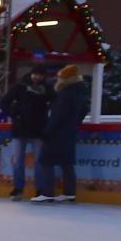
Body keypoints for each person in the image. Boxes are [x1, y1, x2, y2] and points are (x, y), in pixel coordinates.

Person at [33, 65, 88, 203]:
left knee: (46, 161)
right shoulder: (79, 91)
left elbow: (57, 116)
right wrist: (75, 123)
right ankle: (69, 192)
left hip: (57, 132)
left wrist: (47, 132)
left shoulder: (65, 93)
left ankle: (47, 192)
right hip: (69, 131)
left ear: (65, 78)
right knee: (66, 162)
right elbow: (84, 109)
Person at [0, 67, 52, 200]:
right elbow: (4, 102)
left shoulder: (47, 89)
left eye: (41, 75)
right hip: (20, 128)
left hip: (38, 129)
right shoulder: (20, 86)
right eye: (36, 74)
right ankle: (18, 189)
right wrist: (15, 114)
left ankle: (40, 190)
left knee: (39, 161)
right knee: (18, 160)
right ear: (31, 74)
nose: (38, 77)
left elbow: (55, 103)